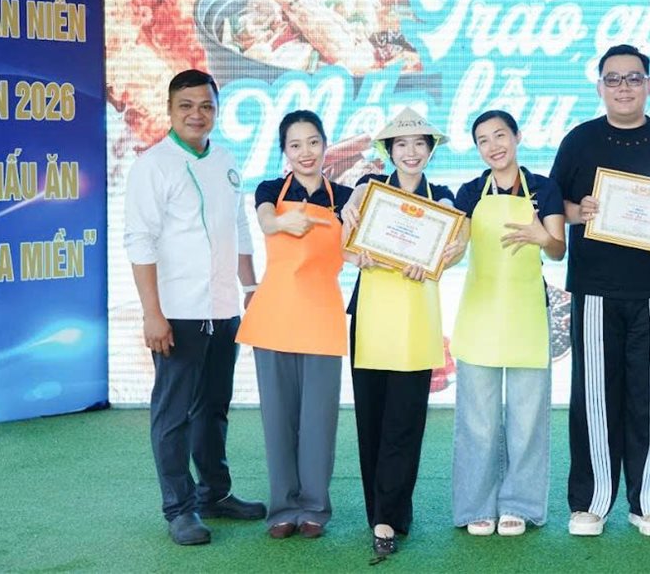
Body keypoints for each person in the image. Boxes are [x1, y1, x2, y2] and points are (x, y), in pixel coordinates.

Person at [549, 44, 650, 538]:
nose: (624, 87)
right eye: (613, 79)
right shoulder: (580, 139)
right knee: (594, 397)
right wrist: (581, 212)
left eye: (633, 78)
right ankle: (591, 502)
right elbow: (553, 205)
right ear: (600, 87)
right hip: (594, 288)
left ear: (649, 85)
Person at [124, 69, 266, 546]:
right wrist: (152, 313)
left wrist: (250, 287)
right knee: (174, 414)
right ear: (169, 110)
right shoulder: (152, 165)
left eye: (206, 106)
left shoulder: (225, 159)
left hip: (223, 308)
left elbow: (238, 227)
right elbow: (139, 240)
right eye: (186, 106)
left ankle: (215, 494)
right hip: (177, 312)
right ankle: (179, 509)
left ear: (216, 111)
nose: (196, 114)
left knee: (214, 408)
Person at [341, 108, 465, 558]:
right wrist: (356, 253)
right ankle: (384, 512)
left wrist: (447, 252)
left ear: (430, 151)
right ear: (389, 151)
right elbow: (345, 245)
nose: (411, 152)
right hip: (371, 318)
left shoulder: (443, 200)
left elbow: (454, 247)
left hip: (416, 320)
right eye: (401, 145)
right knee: (371, 421)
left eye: (419, 144)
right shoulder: (367, 191)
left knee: (405, 424)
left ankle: (389, 517)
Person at [235, 111, 353, 540]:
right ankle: (283, 508)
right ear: (284, 151)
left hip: (322, 315)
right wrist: (284, 222)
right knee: (278, 418)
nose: (306, 152)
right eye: (296, 144)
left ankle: (315, 508)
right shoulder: (270, 190)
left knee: (319, 420)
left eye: (313, 142)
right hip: (275, 316)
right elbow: (266, 220)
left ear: (325, 145)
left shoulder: (344, 196)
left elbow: (361, 241)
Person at [450, 110, 566, 537]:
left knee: (527, 417)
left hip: (527, 314)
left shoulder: (544, 189)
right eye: (483, 140)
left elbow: (558, 249)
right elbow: (456, 246)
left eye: (500, 135)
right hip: (479, 312)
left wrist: (542, 237)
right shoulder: (469, 192)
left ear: (517, 136)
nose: (493, 146)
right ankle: (477, 505)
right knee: (477, 419)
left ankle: (520, 503)